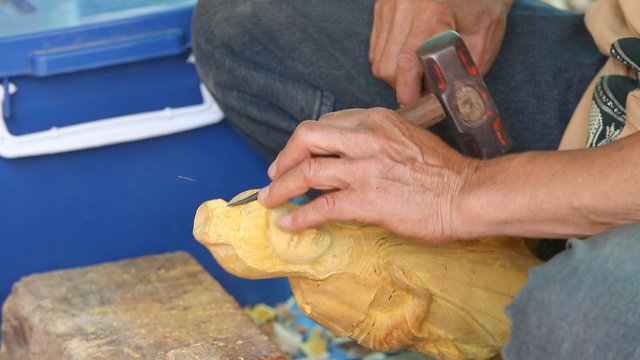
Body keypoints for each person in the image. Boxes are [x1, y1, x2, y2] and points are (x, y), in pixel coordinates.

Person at [192, 0, 640, 358]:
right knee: (244, 21)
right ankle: (526, 260)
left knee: (570, 320)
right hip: (617, 71)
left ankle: (530, 287)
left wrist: (459, 191)